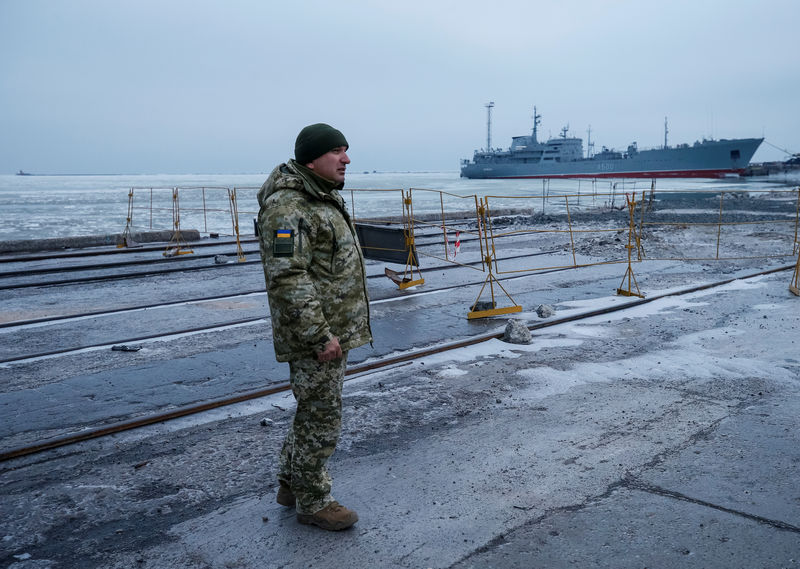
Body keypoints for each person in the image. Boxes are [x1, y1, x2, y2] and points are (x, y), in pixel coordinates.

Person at [256, 123, 372, 531]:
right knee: (321, 417)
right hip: (317, 336)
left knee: (313, 410)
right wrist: (318, 335)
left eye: (346, 150)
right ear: (311, 158)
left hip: (331, 332)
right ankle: (313, 500)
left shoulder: (319, 197)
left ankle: (291, 482)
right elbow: (287, 277)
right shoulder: (289, 208)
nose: (346, 159)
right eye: (337, 151)